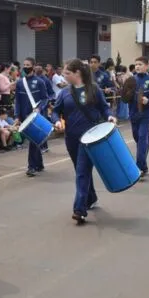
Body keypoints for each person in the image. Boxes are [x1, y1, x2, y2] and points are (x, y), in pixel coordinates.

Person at [51, 58, 115, 224]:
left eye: (67, 73)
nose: (63, 76)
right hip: (71, 138)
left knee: (81, 171)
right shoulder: (64, 92)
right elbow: (56, 111)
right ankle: (91, 197)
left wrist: (109, 115)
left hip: (90, 138)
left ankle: (79, 209)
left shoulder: (93, 89)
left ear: (77, 73)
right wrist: (57, 120)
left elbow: (104, 107)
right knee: (82, 171)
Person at [14, 57, 50, 177]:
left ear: (33, 66)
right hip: (25, 115)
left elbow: (45, 98)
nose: (25, 66)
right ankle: (39, 164)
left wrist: (39, 108)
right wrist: (17, 116)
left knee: (33, 142)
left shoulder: (40, 81)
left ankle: (31, 167)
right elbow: (17, 101)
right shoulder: (20, 82)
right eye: (24, 64)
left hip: (36, 116)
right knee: (33, 140)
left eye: (28, 64)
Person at [128, 56, 149, 177]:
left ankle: (139, 167)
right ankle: (144, 165)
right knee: (138, 138)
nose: (137, 66)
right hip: (133, 114)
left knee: (142, 138)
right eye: (136, 64)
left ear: (147, 66)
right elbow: (125, 96)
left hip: (146, 114)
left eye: (140, 64)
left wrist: (148, 101)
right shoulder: (131, 80)